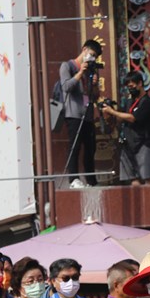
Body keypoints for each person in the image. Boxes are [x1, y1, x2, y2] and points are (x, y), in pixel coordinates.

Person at [102, 72, 150, 185]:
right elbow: (120, 118)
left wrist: (113, 112)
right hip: (128, 143)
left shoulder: (147, 102)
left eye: (132, 86)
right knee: (132, 178)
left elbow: (133, 118)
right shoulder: (129, 102)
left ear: (140, 83)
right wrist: (109, 115)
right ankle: (138, 201)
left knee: (146, 176)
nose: (131, 89)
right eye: (128, 87)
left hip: (144, 142)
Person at [60, 39, 103, 188]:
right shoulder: (67, 66)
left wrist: (95, 84)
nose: (92, 58)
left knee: (90, 148)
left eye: (95, 57)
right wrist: (80, 72)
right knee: (75, 146)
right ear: (84, 49)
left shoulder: (92, 70)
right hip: (73, 113)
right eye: (91, 54)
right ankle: (73, 179)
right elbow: (66, 86)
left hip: (88, 113)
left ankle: (91, 180)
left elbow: (95, 96)